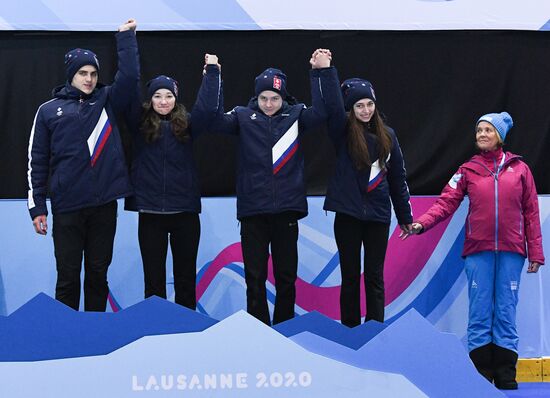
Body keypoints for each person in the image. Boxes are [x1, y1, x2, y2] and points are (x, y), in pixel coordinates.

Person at [404, 112, 544, 389]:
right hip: (477, 250)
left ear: (500, 136)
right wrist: (421, 223)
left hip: (512, 251)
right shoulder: (467, 170)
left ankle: (505, 372)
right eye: (479, 130)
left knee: (505, 309)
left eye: (488, 130)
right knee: (479, 310)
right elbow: (446, 202)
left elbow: (531, 212)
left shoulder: (520, 170)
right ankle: (480, 373)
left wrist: (536, 253)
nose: (481, 134)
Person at [209, 50, 341, 325]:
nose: (269, 104)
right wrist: (213, 76)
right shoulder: (243, 117)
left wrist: (321, 72)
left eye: (275, 98)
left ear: (284, 98)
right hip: (253, 214)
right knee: (254, 279)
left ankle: (285, 331)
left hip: (286, 213)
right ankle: (258, 334)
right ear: (256, 98)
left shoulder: (296, 116)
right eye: (264, 98)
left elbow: (325, 110)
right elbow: (214, 120)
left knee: (286, 279)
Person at [27, 19, 139, 311]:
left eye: (92, 73)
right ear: (71, 75)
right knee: (67, 278)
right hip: (67, 208)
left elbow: (129, 76)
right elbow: (36, 161)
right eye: (82, 73)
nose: (89, 79)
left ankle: (95, 338)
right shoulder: (48, 111)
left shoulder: (107, 100)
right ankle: (66, 341)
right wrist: (37, 207)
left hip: (103, 206)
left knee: (98, 276)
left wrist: (126, 38)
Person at [125, 54, 222, 309]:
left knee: (186, 279)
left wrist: (212, 72)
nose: (163, 101)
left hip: (185, 214)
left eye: (168, 96)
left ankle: (187, 333)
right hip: (150, 214)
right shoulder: (139, 125)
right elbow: (127, 84)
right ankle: (155, 331)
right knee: (153, 281)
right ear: (150, 99)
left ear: (176, 98)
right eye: (157, 96)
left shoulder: (189, 125)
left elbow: (208, 108)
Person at [321, 60, 413, 326]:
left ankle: (375, 331)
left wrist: (405, 217)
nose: (365, 110)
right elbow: (333, 106)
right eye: (359, 105)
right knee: (350, 276)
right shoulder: (342, 131)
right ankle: (349, 331)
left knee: (374, 277)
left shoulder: (389, 136)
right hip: (348, 216)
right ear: (351, 109)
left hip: (378, 217)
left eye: (369, 104)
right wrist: (326, 71)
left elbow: (397, 178)